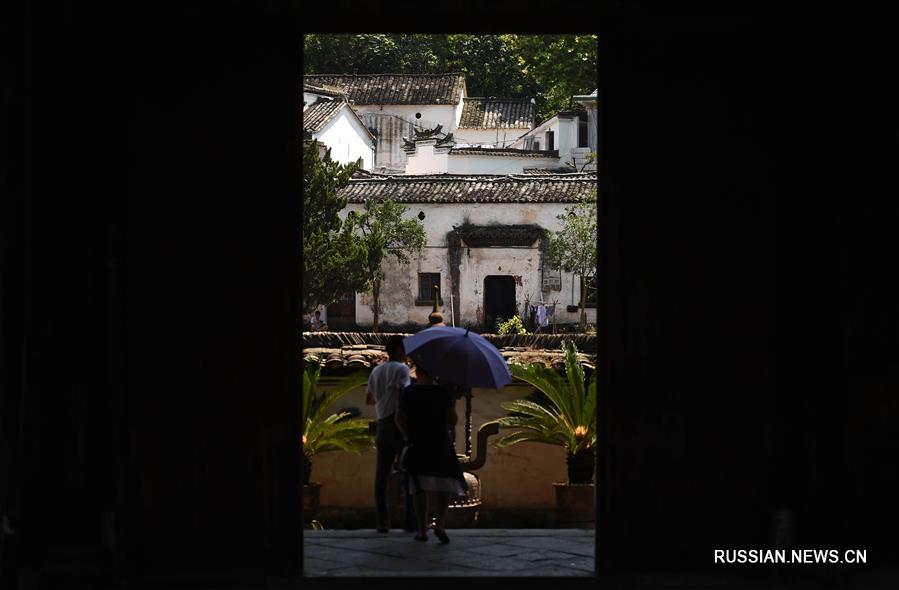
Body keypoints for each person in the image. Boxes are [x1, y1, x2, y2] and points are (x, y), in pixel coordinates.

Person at [396, 364, 468, 544]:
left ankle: (422, 529)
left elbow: (399, 418)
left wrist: (407, 436)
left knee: (418, 487)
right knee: (445, 484)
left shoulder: (409, 393)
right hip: (440, 442)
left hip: (417, 443)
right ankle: (440, 523)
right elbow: (453, 419)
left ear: (418, 372)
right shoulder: (442, 393)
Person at [366, 335, 416, 533]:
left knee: (382, 476)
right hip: (398, 423)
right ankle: (410, 522)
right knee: (409, 473)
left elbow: (369, 399)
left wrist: (382, 397)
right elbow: (402, 393)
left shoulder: (376, 371)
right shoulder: (402, 369)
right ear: (400, 351)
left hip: (382, 424)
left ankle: (383, 523)